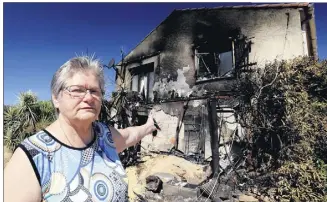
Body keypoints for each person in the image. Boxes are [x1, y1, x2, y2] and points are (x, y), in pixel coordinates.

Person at [4, 56, 158, 202]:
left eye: (94, 91)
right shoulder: (33, 157)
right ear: (56, 98)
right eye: (77, 90)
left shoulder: (105, 136)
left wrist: (149, 125)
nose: (89, 97)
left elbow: (130, 135)